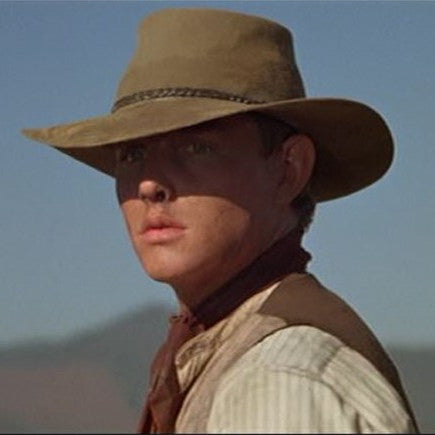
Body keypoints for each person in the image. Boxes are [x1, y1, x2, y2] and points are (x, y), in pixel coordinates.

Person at [22, 7, 419, 434]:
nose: (149, 184)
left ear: (289, 168)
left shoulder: (279, 383)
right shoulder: (231, 353)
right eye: (132, 154)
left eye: (196, 148)